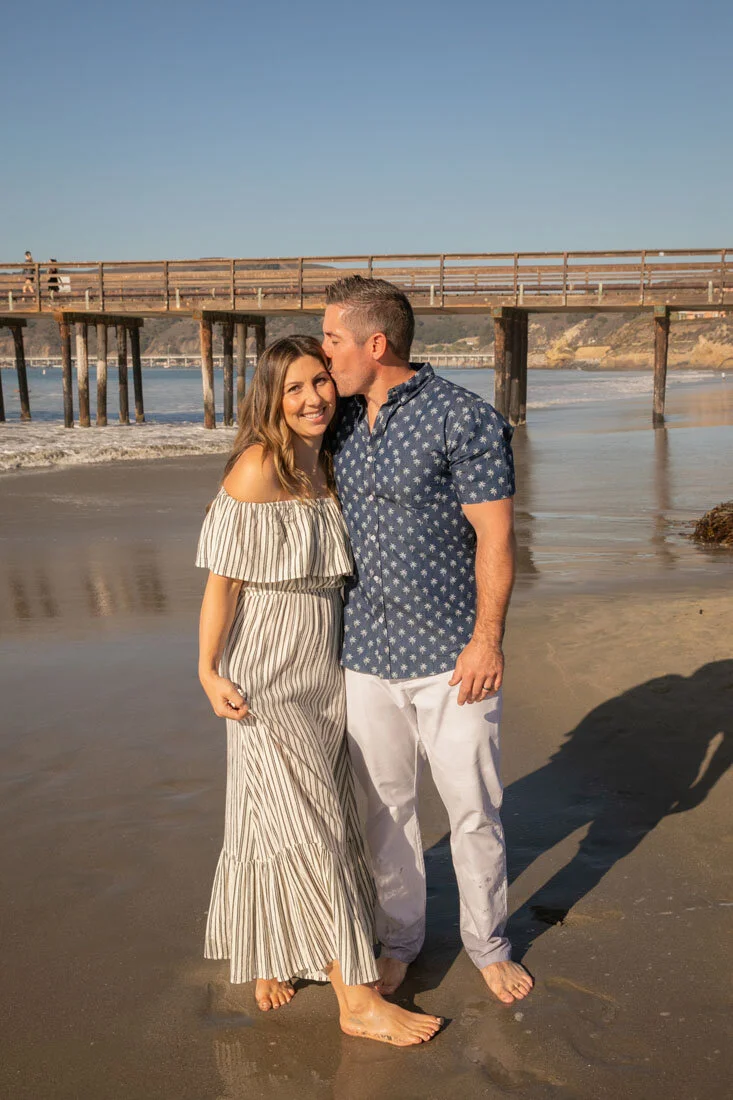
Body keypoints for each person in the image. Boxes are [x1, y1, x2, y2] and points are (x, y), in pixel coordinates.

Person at [196, 335, 442, 1047]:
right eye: (295, 388)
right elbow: (222, 584)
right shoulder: (256, 468)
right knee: (313, 829)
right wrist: (207, 670)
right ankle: (356, 1000)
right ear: (272, 398)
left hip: (324, 670)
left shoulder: (331, 461)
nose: (312, 399)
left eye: (321, 382)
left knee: (278, 817)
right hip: (266, 672)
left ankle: (270, 947)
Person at [322, 276, 534, 1005]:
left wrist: (487, 640)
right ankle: (401, 941)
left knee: (472, 808)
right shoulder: (336, 421)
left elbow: (496, 538)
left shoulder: (463, 419)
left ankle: (488, 945)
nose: (325, 352)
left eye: (333, 339)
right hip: (362, 654)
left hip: (451, 656)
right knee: (384, 811)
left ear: (375, 344)